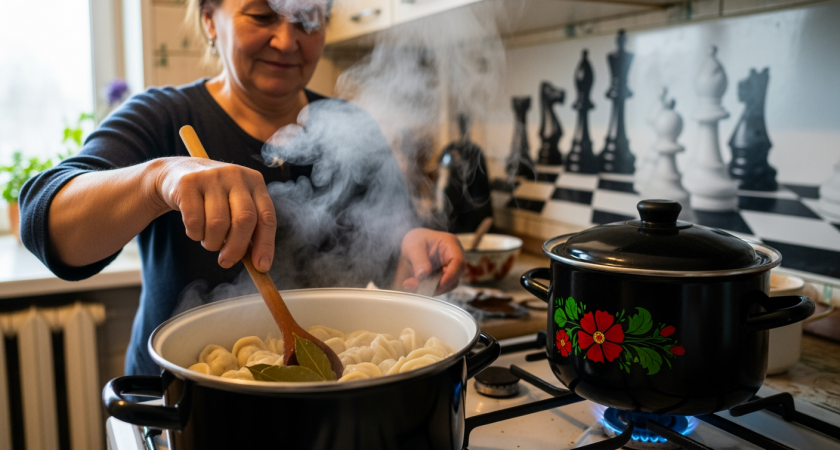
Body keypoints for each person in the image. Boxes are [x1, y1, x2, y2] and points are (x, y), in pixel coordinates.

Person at [18, 0, 464, 376]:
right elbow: (46, 224)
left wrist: (412, 250)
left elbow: (385, 259)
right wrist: (159, 180)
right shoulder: (162, 116)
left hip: (330, 406)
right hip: (183, 402)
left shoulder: (354, 127)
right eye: (263, 15)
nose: (288, 41)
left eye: (308, 18)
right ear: (211, 18)